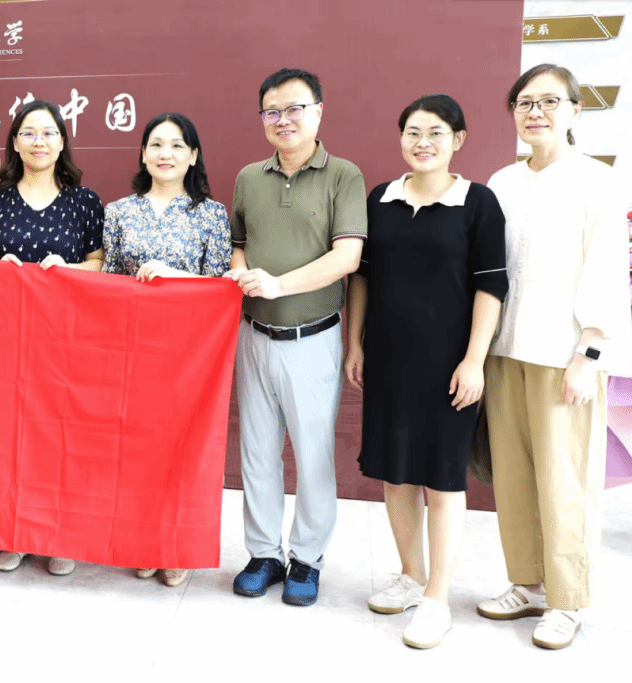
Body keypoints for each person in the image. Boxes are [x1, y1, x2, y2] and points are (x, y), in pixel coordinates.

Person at [478, 64, 632, 650]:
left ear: (574, 110)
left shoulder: (598, 181)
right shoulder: (501, 182)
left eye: (548, 101)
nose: (535, 112)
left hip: (564, 356)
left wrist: (588, 353)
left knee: (566, 481)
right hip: (504, 351)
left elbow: (607, 270)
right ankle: (527, 584)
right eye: (524, 102)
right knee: (515, 479)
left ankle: (567, 600)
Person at [345, 94, 507, 648]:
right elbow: (362, 277)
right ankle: (411, 576)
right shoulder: (381, 198)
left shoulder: (478, 202)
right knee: (395, 475)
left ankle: (437, 599)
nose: (423, 142)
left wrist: (474, 360)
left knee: (441, 481)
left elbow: (491, 286)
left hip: (449, 366)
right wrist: (355, 343)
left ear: (458, 140)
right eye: (413, 132)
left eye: (436, 132)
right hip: (388, 358)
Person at [225, 68, 367, 606]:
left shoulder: (343, 175)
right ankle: (264, 553)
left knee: (312, 457)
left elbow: (347, 257)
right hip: (253, 336)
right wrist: (242, 271)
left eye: (294, 108)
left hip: (314, 339)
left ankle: (307, 558)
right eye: (272, 111)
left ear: (318, 111)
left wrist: (279, 284)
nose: (282, 119)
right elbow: (239, 243)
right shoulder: (248, 177)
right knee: (257, 453)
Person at [0, 99, 105, 577]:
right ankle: (12, 534)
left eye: (49, 133)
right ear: (14, 142)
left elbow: (99, 263)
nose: (39, 142)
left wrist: (67, 270)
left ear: (62, 141)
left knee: (59, 436)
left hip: (65, 340)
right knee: (9, 437)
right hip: (7, 339)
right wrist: (0, 269)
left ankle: (58, 535)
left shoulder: (84, 201)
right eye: (29, 133)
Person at [102, 111, 230, 587]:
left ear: (193, 156)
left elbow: (222, 287)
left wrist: (176, 277)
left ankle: (174, 546)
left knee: (182, 447)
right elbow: (108, 281)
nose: (166, 154)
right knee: (136, 448)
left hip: (190, 354)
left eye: (177, 146)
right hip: (132, 350)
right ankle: (142, 541)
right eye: (156, 144)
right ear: (143, 153)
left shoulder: (211, 214)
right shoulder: (119, 212)